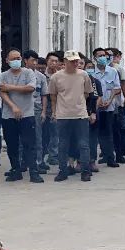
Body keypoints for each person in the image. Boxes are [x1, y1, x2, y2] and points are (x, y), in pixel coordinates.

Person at [48, 50, 96, 183]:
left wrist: (80, 104)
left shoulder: (83, 75)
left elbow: (87, 93)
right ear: (65, 61)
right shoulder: (56, 77)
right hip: (63, 115)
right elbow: (53, 96)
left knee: (83, 144)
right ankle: (63, 170)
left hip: (80, 115)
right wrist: (54, 112)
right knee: (62, 144)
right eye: (72, 61)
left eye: (76, 61)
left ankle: (85, 171)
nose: (75, 63)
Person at [0, 48, 42, 183]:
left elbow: (30, 88)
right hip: (9, 115)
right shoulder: (3, 75)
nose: (16, 61)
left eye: (18, 58)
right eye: (13, 59)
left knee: (30, 144)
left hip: (27, 115)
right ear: (7, 61)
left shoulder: (28, 73)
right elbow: (2, 92)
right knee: (12, 145)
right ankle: (15, 171)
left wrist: (10, 87)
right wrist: (13, 107)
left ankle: (34, 172)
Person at [91, 47, 122, 168]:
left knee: (108, 132)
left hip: (109, 107)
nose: (103, 58)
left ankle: (110, 158)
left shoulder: (112, 71)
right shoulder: (91, 72)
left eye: (104, 55)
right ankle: (93, 159)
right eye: (100, 56)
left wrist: (109, 100)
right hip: (94, 108)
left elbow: (117, 88)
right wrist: (97, 103)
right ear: (94, 58)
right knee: (94, 134)